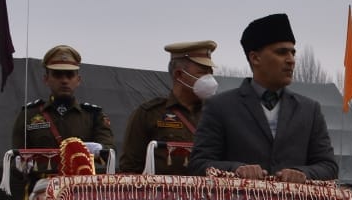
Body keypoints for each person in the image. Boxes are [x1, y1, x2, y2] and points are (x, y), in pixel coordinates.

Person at [186, 13, 339, 182]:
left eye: (292, 52)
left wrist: (302, 173)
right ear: (255, 58)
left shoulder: (310, 110)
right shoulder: (220, 107)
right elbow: (199, 164)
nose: (291, 60)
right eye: (281, 52)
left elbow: (329, 166)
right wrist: (237, 170)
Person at [119, 41, 220, 175]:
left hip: (211, 194)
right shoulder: (149, 113)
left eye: (210, 73)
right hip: (164, 194)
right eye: (202, 73)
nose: (209, 80)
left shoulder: (217, 114)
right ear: (179, 75)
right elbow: (130, 168)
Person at [10, 45, 116, 156]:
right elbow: (16, 159)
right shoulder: (29, 115)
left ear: (78, 80)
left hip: (81, 172)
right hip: (41, 173)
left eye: (70, 75)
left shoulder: (93, 115)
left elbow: (110, 150)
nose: (64, 80)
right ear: (46, 79)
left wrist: (98, 149)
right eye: (57, 75)